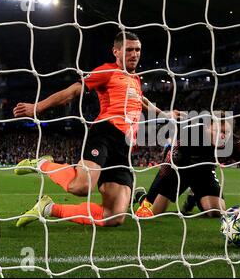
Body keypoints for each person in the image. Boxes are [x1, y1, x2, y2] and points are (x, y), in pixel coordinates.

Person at [12, 31, 180, 228]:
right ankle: (42, 164)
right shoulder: (107, 71)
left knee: (114, 216)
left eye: (138, 50)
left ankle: (49, 208)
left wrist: (165, 115)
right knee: (82, 187)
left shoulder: (135, 79)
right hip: (105, 133)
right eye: (129, 50)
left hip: (124, 147)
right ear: (116, 52)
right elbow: (74, 91)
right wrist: (37, 107)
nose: (135, 54)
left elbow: (141, 100)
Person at [135, 115, 240, 224]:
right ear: (208, 127)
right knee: (155, 212)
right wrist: (148, 202)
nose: (223, 136)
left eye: (226, 132)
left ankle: (194, 196)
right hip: (180, 171)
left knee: (216, 211)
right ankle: (141, 196)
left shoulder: (235, 145)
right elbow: (166, 169)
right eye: (219, 131)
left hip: (205, 173)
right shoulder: (189, 135)